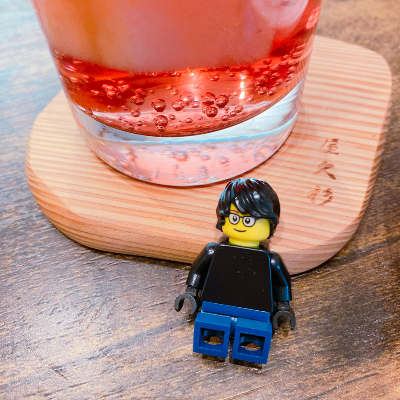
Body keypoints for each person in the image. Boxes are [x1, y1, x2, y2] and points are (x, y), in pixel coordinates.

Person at [175, 178, 296, 364]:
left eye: (248, 220)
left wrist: (283, 307)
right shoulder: (213, 251)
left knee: (253, 335)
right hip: (214, 307)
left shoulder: (271, 260)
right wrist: (191, 292)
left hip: (256, 314)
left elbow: (282, 283)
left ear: (270, 223)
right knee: (210, 331)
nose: (240, 225)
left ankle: (246, 349)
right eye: (234, 218)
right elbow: (198, 270)